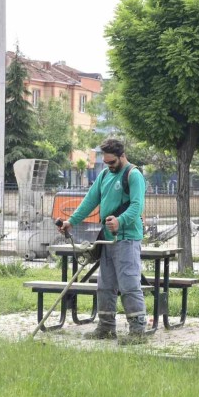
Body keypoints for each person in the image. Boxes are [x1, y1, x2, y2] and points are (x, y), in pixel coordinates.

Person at [58, 138, 148, 345]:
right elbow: (90, 201)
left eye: (112, 162)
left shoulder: (133, 175)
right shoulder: (105, 175)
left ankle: (138, 331)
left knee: (129, 284)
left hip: (127, 239)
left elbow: (137, 206)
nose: (109, 166)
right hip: (107, 240)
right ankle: (106, 328)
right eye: (106, 162)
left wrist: (120, 221)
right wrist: (71, 222)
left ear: (122, 156)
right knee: (105, 285)